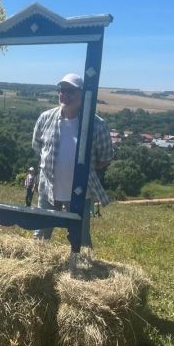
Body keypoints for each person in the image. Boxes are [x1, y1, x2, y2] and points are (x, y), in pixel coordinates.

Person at [32, 73, 112, 245]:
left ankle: (82, 270)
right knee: (40, 239)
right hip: (48, 191)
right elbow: (38, 147)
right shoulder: (45, 118)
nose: (64, 94)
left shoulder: (97, 125)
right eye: (61, 90)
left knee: (80, 241)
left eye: (70, 91)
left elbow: (105, 159)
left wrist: (85, 170)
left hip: (80, 194)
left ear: (83, 94)